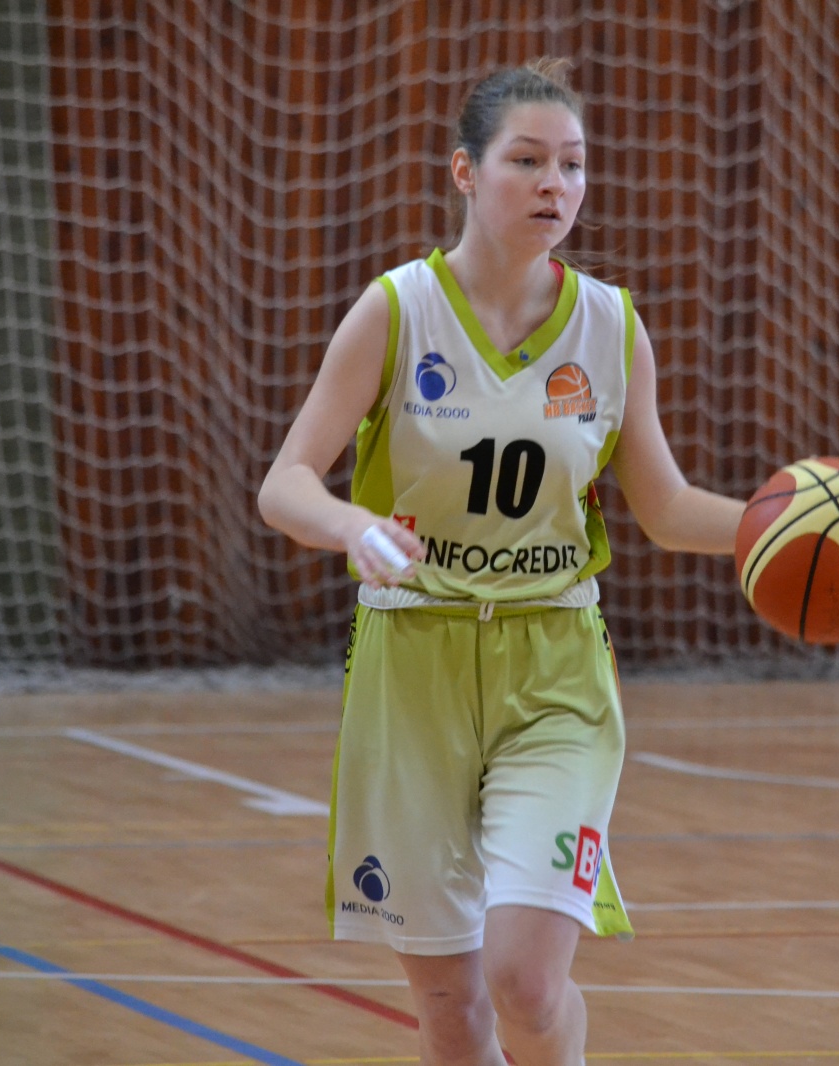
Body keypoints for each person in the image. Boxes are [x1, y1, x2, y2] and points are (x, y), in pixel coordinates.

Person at [258, 58, 745, 1066]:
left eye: (572, 164)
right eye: (526, 161)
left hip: (553, 666)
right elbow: (286, 482)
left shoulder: (610, 326)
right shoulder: (397, 311)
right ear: (464, 172)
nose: (554, 184)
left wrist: (781, 527)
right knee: (451, 1006)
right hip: (412, 668)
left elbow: (663, 508)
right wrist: (351, 527)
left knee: (525, 980)